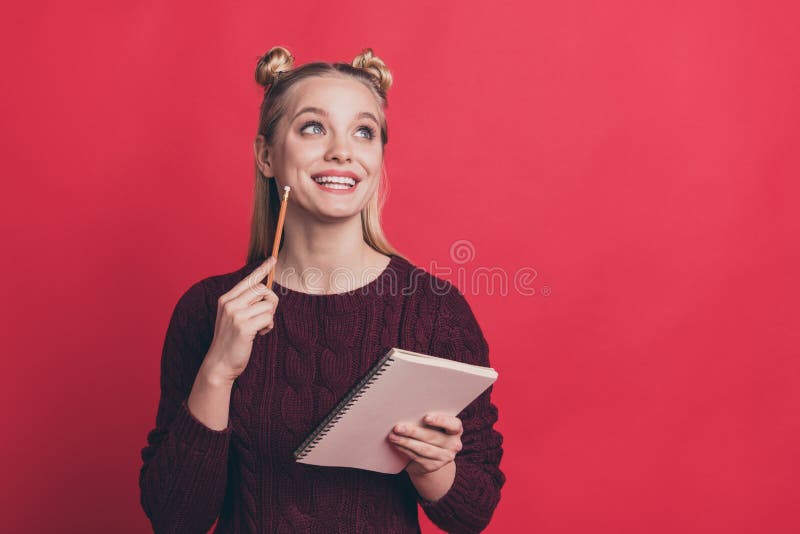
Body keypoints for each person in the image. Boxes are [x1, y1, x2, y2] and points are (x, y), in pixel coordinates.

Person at [139, 45, 505, 533]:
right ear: (266, 155)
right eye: (313, 127)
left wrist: (432, 465)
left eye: (364, 132)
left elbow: (473, 513)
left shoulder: (433, 312)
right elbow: (175, 517)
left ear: (377, 158)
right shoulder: (209, 310)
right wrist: (216, 373)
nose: (342, 150)